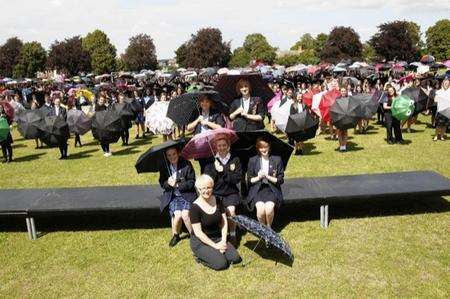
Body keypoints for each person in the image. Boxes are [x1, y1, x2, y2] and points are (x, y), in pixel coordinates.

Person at [190, 174, 242, 270]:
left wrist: (223, 240)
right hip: (201, 241)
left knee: (235, 258)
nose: (206, 191)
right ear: (199, 190)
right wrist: (216, 246)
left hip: (217, 237)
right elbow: (198, 233)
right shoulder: (194, 208)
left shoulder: (217, 200)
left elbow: (224, 222)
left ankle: (216, 252)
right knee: (221, 264)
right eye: (203, 188)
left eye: (209, 187)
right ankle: (199, 257)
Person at [204, 136, 241, 244]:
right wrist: (215, 171)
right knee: (216, 212)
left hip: (231, 193)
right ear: (215, 147)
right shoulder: (211, 161)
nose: (222, 148)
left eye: (224, 145)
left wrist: (223, 171)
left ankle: (233, 233)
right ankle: (220, 233)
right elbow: (208, 181)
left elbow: (236, 179)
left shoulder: (235, 159)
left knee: (231, 211)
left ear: (228, 146)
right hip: (216, 193)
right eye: (219, 146)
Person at [159, 146, 196, 247]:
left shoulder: (186, 164)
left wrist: (178, 185)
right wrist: (168, 183)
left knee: (185, 215)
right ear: (166, 156)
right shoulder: (164, 167)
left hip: (187, 194)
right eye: (169, 155)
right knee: (178, 215)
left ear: (178, 153)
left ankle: (194, 236)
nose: (172, 157)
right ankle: (176, 235)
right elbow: (162, 183)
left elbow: (192, 182)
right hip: (173, 196)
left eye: (174, 154)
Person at [246, 137, 284, 228]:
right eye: (261, 147)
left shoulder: (277, 159)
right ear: (258, 148)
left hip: (271, 189)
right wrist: (258, 177)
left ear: (269, 147)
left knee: (269, 209)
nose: (264, 149)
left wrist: (268, 176)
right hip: (257, 190)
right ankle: (263, 229)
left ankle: (269, 227)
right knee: (260, 210)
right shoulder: (253, 160)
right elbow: (249, 180)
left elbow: (280, 180)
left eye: (266, 147)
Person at [187, 94, 225, 172]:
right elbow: (188, 128)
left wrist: (207, 123)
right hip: (200, 144)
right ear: (199, 103)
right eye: (202, 101)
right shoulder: (196, 112)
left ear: (210, 102)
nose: (204, 103)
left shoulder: (215, 112)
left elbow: (220, 127)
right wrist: (197, 120)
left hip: (213, 143)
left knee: (215, 165)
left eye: (207, 101)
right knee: (203, 166)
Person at [336, 86, 350, 152]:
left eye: (344, 91)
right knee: (339, 131)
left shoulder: (348, 98)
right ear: (340, 92)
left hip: (346, 117)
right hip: (339, 117)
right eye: (342, 91)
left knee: (345, 131)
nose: (343, 92)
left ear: (346, 91)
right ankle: (341, 145)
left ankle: (344, 145)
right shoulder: (337, 99)